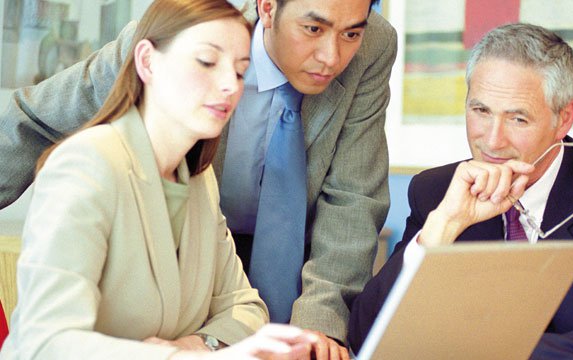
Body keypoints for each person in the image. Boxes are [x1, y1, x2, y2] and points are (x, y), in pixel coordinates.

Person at [0, 0, 397, 357]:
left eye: (241, 72)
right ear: (267, 8)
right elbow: (32, 121)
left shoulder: (197, 179)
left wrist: (312, 332)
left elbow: (353, 198)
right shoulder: (179, 32)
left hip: (278, 256)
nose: (332, 56)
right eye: (313, 29)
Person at [348, 23, 573, 359]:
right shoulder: (437, 191)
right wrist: (443, 227)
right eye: (481, 111)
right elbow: (365, 335)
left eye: (518, 119)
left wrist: (477, 350)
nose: (492, 140)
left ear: (564, 119)